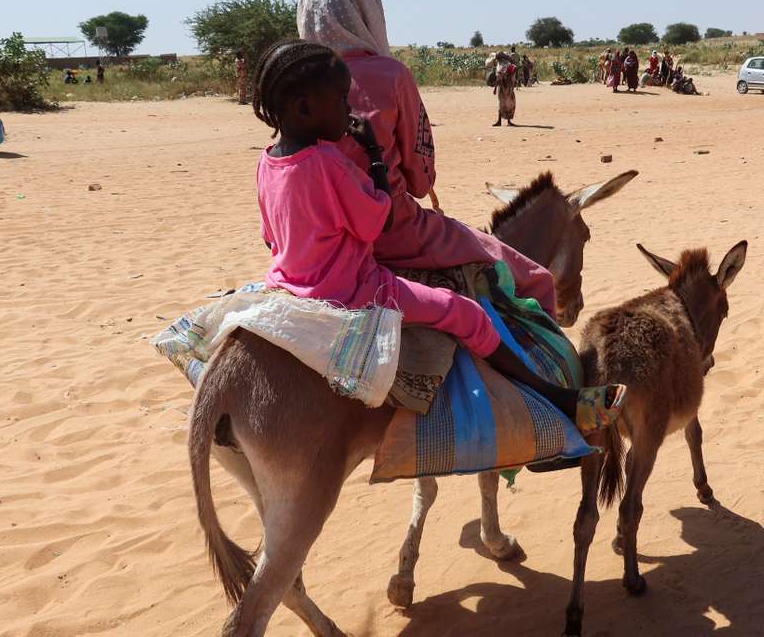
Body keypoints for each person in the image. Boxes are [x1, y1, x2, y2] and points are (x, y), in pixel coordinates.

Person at [249, 39, 624, 431]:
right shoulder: (330, 162)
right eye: (342, 98)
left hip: (285, 282)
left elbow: (269, 237)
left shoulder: (265, 162)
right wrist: (374, 155)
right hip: (353, 289)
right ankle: (556, 399)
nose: (349, 107)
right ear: (305, 108)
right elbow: (376, 222)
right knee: (465, 313)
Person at [297, 0, 557, 319]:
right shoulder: (391, 75)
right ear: (368, 10)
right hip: (396, 234)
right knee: (538, 279)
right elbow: (421, 181)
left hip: (309, 242)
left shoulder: (292, 82)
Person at [492, 52, 519, 126]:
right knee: (509, 104)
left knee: (502, 104)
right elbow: (514, 71)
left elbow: (498, 78)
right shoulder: (509, 64)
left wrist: (495, 88)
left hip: (502, 87)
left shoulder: (500, 66)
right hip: (509, 87)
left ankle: (499, 121)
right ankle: (509, 121)